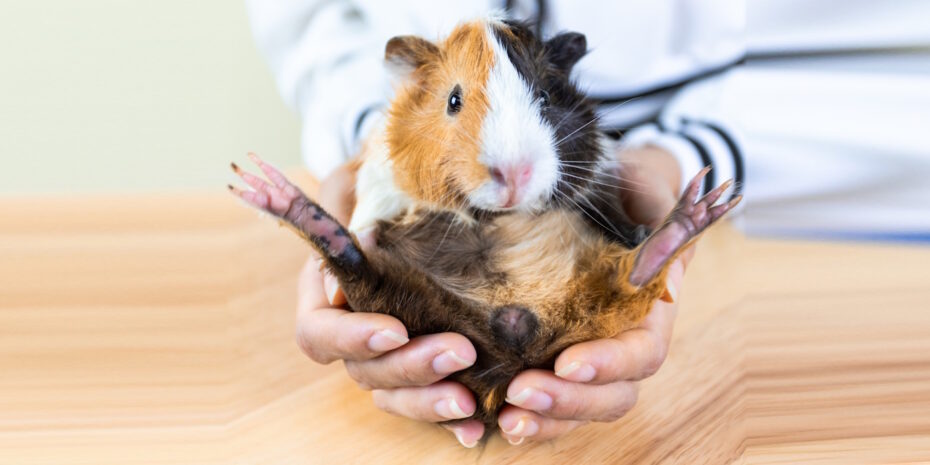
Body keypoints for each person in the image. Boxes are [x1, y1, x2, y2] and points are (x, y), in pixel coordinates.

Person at [246, 0, 930, 447]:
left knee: (600, 279)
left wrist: (671, 162)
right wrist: (364, 140)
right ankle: (333, 240)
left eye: (540, 99)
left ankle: (645, 258)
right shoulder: (407, 117)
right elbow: (320, 23)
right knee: (387, 277)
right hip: (443, 278)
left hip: (808, 195)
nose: (509, 167)